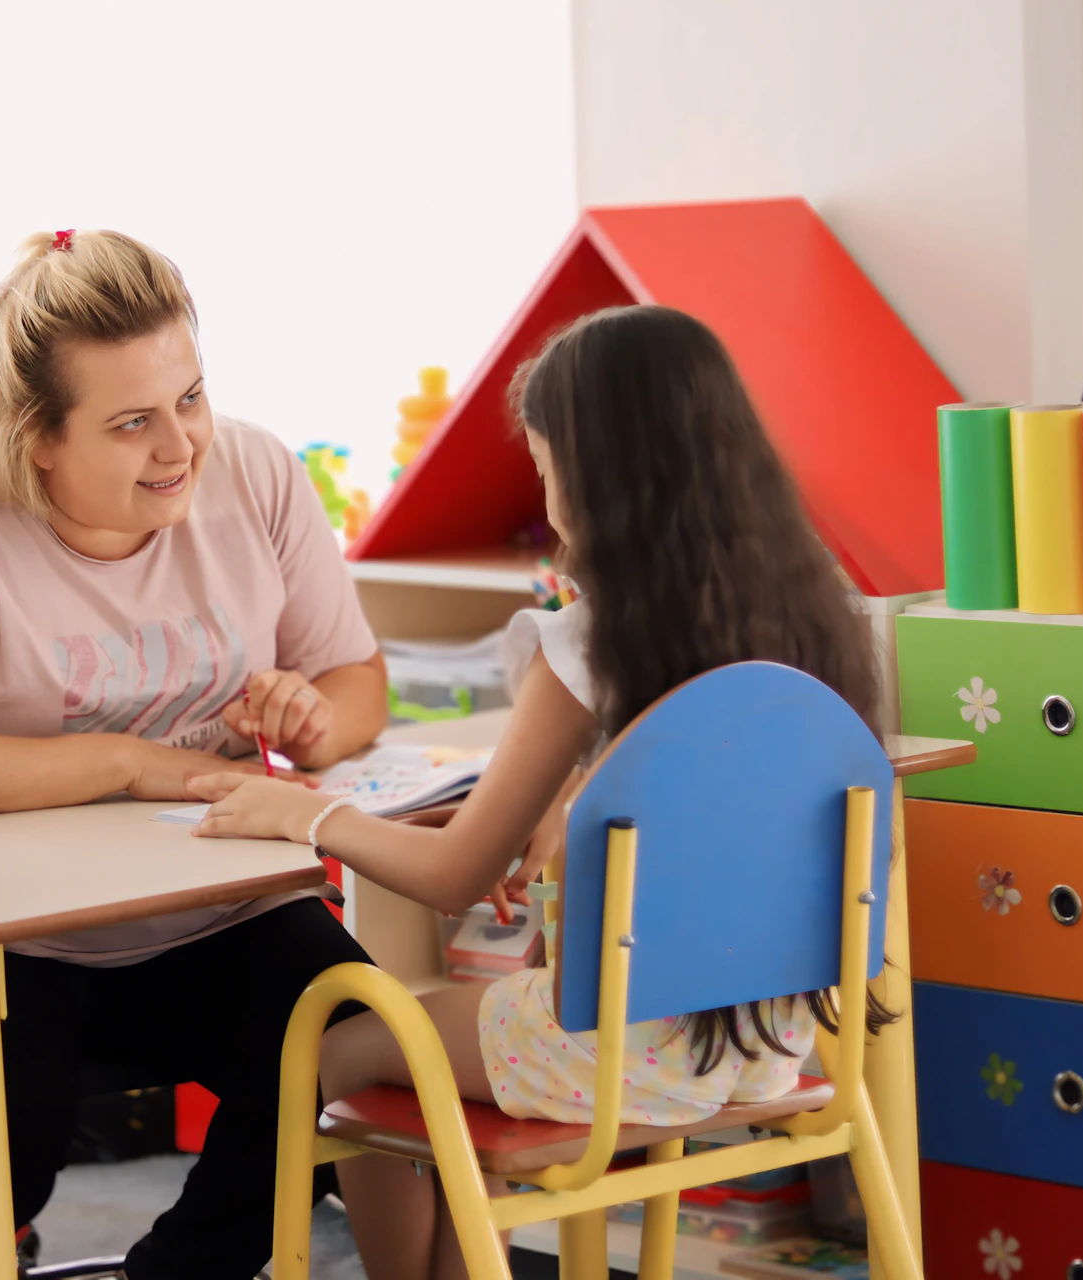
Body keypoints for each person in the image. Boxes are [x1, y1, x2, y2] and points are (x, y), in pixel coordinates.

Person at [191, 305, 889, 1280]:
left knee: (344, 1041)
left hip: (621, 1049)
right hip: (768, 1042)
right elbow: (712, 790)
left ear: (600, 475)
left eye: (548, 466)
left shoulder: (590, 640)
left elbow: (451, 875)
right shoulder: (816, 613)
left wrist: (308, 813)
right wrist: (574, 798)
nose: (548, 492)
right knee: (436, 1049)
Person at [0, 229, 387, 1280]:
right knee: (1, 1124)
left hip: (180, 903)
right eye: (133, 421)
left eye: (190, 397)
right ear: (36, 436)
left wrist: (312, 719)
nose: (182, 445)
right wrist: (131, 760)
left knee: (359, 1052)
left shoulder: (254, 471)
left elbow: (354, 681)